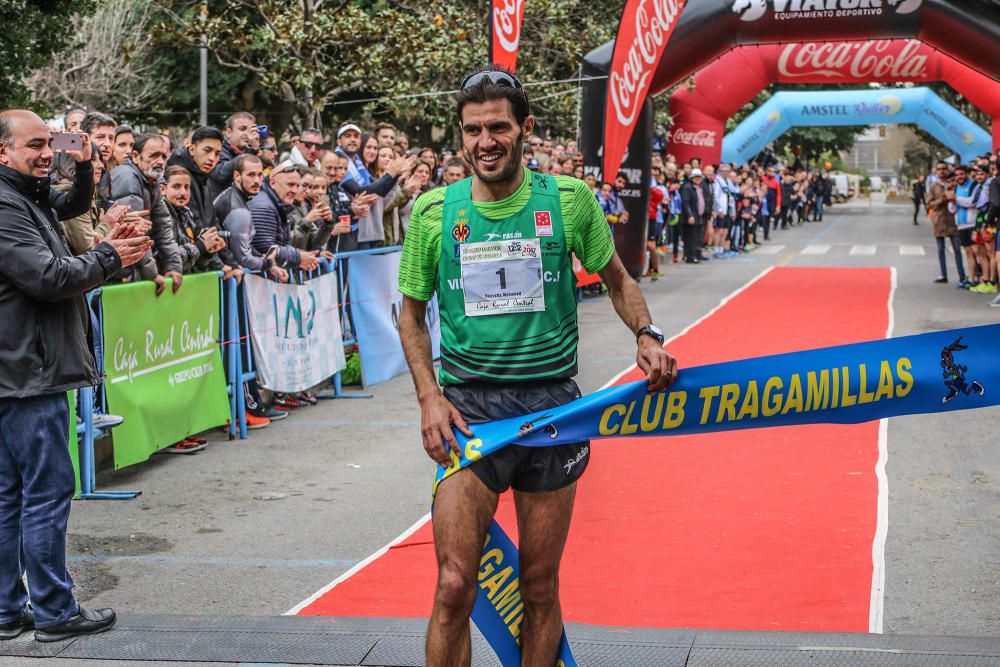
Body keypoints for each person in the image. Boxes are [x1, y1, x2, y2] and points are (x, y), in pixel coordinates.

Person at [396, 67, 676, 667]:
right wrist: (428, 397)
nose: (485, 141)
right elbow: (411, 317)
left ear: (525, 128)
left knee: (540, 584)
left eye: (498, 126)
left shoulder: (567, 201)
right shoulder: (430, 214)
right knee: (452, 586)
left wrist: (647, 335)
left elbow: (620, 281)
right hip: (470, 413)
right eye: (472, 130)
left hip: (553, 410)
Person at [0, 109, 152, 642]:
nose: (47, 153)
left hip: (20, 371)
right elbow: (46, 276)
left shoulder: (24, 194)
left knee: (10, 495)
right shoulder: (5, 204)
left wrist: (84, 169)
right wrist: (113, 254)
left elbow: (68, 205)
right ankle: (54, 612)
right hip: (26, 374)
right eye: (34, 144)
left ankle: (9, 609)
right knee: (44, 492)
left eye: (50, 142)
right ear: (3, 152)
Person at [109, 133, 185, 294]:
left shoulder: (152, 182)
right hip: (116, 272)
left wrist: (174, 267)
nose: (160, 161)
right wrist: (153, 274)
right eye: (154, 155)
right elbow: (134, 231)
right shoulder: (127, 177)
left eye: (164, 156)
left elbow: (163, 227)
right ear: (135, 156)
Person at [208, 111, 260, 201]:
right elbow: (221, 174)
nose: (247, 134)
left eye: (251, 130)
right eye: (242, 129)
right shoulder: (219, 150)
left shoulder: (249, 152)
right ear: (228, 132)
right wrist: (250, 151)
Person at [927, 168, 966, 285]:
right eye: (939, 169)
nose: (942, 171)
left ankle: (962, 275)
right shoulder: (934, 186)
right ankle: (943, 274)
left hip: (954, 220)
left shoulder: (957, 186)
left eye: (944, 169)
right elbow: (929, 203)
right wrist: (941, 200)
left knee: (957, 249)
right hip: (939, 220)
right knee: (940, 249)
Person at [680, 168, 712, 263]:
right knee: (691, 237)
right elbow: (685, 203)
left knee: (698, 237)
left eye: (699, 177)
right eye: (695, 177)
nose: (698, 179)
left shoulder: (701, 187)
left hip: (700, 215)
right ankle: (690, 256)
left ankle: (697, 255)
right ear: (692, 178)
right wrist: (690, 215)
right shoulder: (687, 187)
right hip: (692, 216)